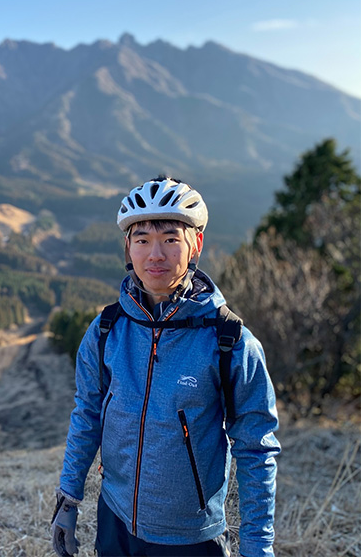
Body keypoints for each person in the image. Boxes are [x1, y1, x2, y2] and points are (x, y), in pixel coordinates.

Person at [51, 177, 281, 557]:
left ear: (196, 245)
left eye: (171, 239)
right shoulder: (106, 330)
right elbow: (87, 414)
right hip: (115, 521)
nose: (155, 254)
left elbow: (256, 448)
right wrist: (68, 497)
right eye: (142, 240)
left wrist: (257, 546)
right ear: (128, 248)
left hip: (191, 538)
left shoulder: (229, 342)